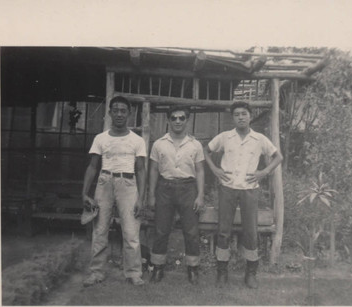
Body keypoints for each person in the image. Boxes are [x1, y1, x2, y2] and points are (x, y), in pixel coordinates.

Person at [204, 101, 283, 289]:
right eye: (237, 114)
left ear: (250, 116)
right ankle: (222, 272)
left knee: (251, 231)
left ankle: (251, 273)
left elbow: (278, 157)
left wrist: (263, 172)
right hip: (227, 188)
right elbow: (205, 151)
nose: (240, 117)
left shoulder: (259, 139)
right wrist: (215, 169)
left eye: (244, 114)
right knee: (223, 230)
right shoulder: (225, 137)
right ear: (233, 118)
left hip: (250, 188)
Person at [82, 96, 146, 287]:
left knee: (131, 230)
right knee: (100, 230)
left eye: (123, 110)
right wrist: (84, 193)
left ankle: (133, 273)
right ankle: (96, 272)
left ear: (129, 113)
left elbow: (141, 170)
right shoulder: (100, 138)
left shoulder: (137, 140)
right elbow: (93, 166)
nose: (119, 114)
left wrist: (140, 198)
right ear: (109, 113)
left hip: (128, 183)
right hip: (105, 181)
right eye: (115, 110)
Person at [147, 106, 205, 285]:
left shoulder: (195, 144)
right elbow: (154, 170)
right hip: (165, 188)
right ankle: (157, 268)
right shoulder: (159, 144)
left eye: (181, 118)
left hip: (188, 188)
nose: (178, 121)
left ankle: (193, 269)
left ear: (187, 120)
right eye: (174, 118)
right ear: (168, 120)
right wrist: (151, 194)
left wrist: (200, 195)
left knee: (191, 231)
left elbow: (200, 170)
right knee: (161, 230)